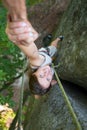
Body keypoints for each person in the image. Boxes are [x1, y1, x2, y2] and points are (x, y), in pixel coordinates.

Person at [6, 20, 64, 98]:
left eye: (41, 75)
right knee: (51, 60)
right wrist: (50, 83)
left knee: (54, 47)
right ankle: (47, 43)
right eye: (47, 79)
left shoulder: (37, 62)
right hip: (48, 60)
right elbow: (37, 95)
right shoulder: (47, 80)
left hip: (46, 53)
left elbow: (32, 53)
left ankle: (57, 39)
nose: (47, 73)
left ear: (34, 74)